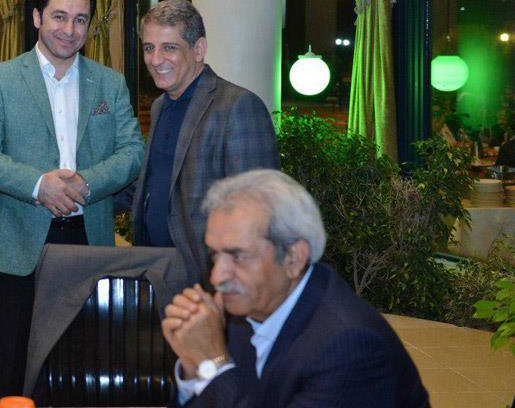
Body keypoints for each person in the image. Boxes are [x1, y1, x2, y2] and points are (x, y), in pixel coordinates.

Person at [0, 0, 144, 398]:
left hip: (89, 241)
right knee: (13, 366)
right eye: (59, 16)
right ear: (37, 17)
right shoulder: (2, 78)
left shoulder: (110, 82)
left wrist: (86, 183)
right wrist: (38, 184)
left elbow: (133, 151)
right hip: (21, 245)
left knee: (85, 362)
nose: (69, 29)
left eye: (80, 20)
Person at [162, 169, 429, 407]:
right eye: (214, 254)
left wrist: (212, 361)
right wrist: (193, 364)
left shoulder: (349, 347)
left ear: (293, 258)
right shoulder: (244, 310)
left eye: (238, 256)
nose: (217, 276)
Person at [131, 0, 279, 282]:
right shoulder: (160, 106)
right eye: (149, 48)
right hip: (156, 272)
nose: (155, 59)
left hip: (209, 279)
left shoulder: (238, 106)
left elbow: (258, 210)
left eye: (169, 48)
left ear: (199, 49)